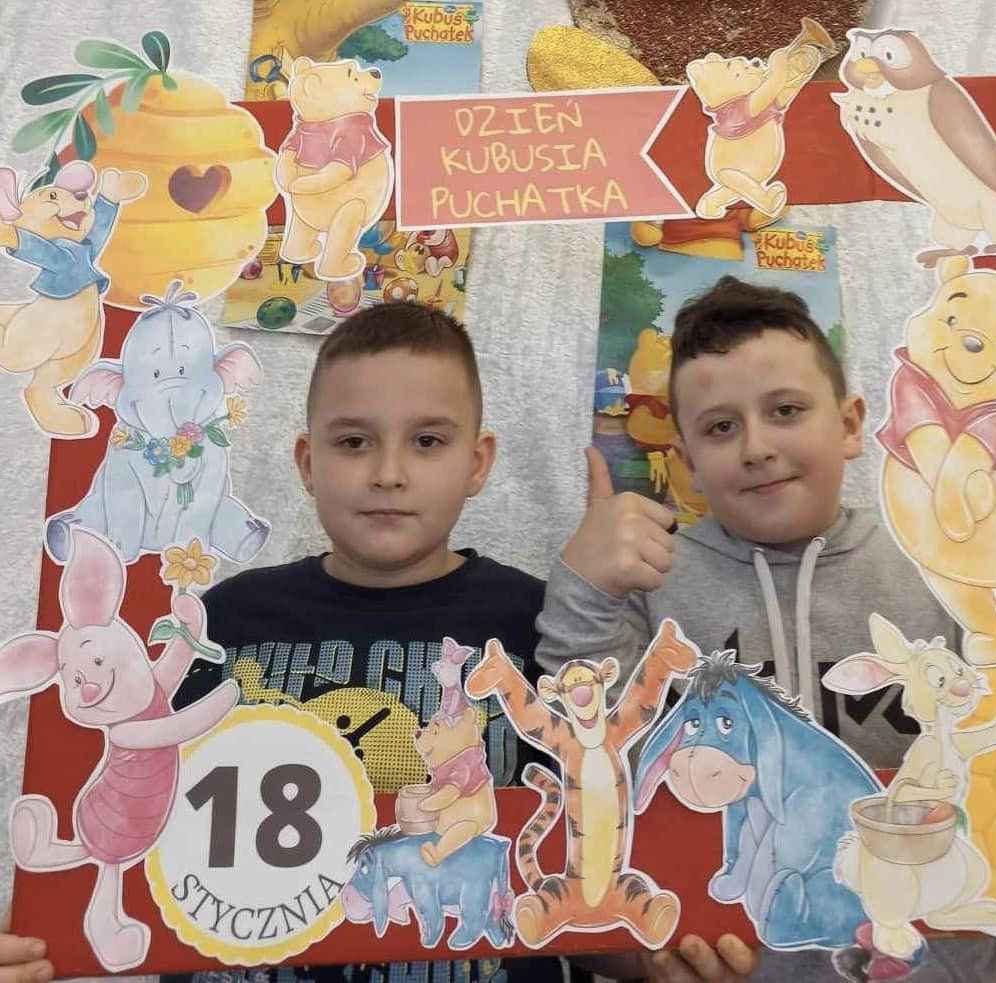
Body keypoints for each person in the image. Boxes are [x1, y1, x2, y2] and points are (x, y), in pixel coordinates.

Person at [537, 276, 996, 983]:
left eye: (786, 410)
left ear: (852, 424)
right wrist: (583, 583)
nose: (756, 447)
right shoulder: (651, 583)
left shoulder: (948, 560)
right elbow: (590, 754)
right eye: (720, 427)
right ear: (687, 464)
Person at [0, 302, 584, 983]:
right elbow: (129, 791)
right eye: (353, 442)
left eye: (428, 440)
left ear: (478, 463)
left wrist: (660, 950)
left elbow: (600, 860)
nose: (388, 471)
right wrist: (48, 927)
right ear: (307, 462)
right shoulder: (221, 622)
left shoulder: (545, 625)